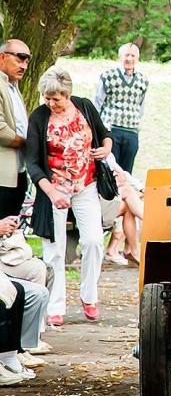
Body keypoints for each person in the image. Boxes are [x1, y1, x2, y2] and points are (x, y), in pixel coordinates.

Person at [26, 67, 112, 324]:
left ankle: (89, 295)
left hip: (86, 184)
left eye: (57, 98)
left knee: (94, 241)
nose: (51, 103)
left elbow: (104, 133)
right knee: (55, 249)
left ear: (68, 94)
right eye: (47, 98)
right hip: (54, 188)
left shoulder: (84, 107)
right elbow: (32, 162)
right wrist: (51, 192)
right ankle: (55, 305)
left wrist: (105, 149)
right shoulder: (39, 117)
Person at [94, 43, 149, 174]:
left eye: (133, 55)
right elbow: (97, 102)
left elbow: (141, 106)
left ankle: (126, 194)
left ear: (137, 58)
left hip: (132, 133)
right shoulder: (108, 76)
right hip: (111, 130)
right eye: (126, 55)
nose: (129, 59)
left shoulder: (143, 80)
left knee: (126, 173)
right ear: (120, 57)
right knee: (109, 170)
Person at [0, 39, 31, 218]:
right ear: (2, 57)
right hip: (3, 176)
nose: (24, 66)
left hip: (18, 172)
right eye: (20, 59)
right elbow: (1, 129)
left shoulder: (12, 86)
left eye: (27, 61)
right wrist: (28, 143)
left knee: (10, 233)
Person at [101, 156, 144, 266]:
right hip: (93, 204)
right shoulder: (90, 150)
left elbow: (122, 174)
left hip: (105, 202)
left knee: (129, 206)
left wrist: (141, 188)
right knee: (127, 190)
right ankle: (151, 221)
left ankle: (133, 251)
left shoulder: (106, 153)